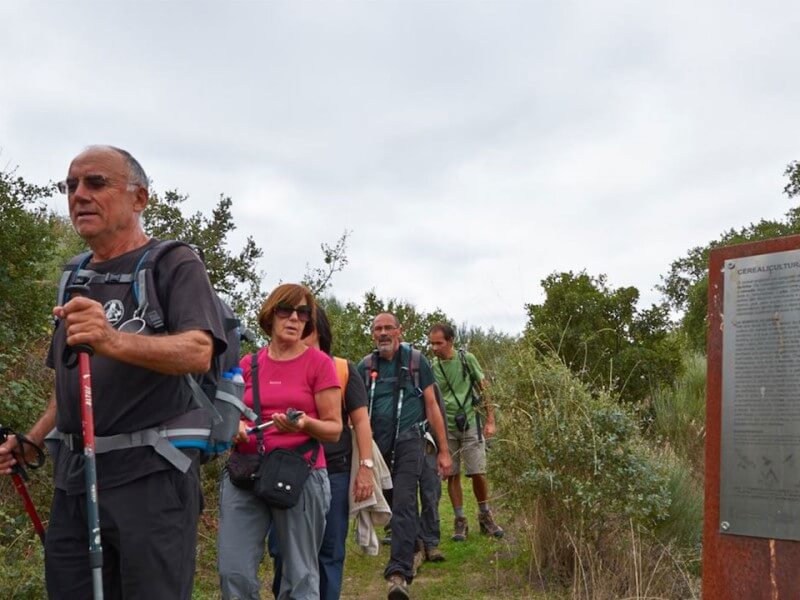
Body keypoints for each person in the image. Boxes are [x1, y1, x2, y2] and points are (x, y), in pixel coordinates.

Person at [0, 145, 228, 599]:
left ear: (139, 198)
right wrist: (32, 439)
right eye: (71, 186)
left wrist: (112, 339)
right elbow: (67, 383)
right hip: (75, 480)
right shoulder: (74, 276)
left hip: (152, 478)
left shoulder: (173, 263)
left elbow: (200, 350)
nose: (79, 195)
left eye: (96, 183)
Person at [217, 284, 342, 600]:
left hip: (300, 474)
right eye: (286, 310)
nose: (294, 318)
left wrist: (304, 424)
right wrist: (237, 426)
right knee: (233, 571)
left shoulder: (319, 364)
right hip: (246, 472)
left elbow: (334, 429)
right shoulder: (248, 364)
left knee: (300, 576)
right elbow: (227, 414)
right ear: (270, 315)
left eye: (303, 313)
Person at [270, 305, 375, 600]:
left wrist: (365, 468)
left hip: (334, 470)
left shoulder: (341, 368)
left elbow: (360, 421)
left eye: (307, 323)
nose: (299, 327)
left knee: (328, 551)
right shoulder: (276, 367)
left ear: (320, 330)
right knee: (281, 550)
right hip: (285, 471)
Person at [357, 313, 452, 600]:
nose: (383, 333)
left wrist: (444, 450)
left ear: (399, 330)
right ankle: (413, 545)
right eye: (378, 329)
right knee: (390, 501)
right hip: (377, 444)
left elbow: (433, 406)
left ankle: (398, 574)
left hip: (411, 440)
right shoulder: (365, 366)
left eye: (388, 328)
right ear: (373, 334)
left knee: (404, 503)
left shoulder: (416, 361)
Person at [429, 323, 504, 541]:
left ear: (450, 341)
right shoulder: (433, 367)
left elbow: (484, 388)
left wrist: (490, 419)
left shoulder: (466, 359)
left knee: (478, 471)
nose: (434, 348)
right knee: (452, 473)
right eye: (431, 343)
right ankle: (460, 520)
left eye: (439, 343)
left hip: (471, 422)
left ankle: (485, 515)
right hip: (446, 425)